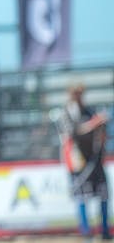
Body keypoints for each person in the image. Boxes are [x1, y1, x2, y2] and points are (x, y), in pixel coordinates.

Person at [58, 83, 110, 240]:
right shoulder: (67, 113)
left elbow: (99, 130)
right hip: (78, 161)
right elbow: (74, 131)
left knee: (103, 196)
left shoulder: (89, 110)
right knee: (81, 197)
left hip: (95, 160)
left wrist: (101, 123)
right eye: (75, 93)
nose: (79, 97)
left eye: (80, 93)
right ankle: (86, 232)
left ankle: (105, 230)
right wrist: (94, 123)